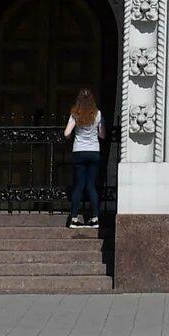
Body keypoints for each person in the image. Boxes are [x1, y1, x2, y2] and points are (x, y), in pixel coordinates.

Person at [64, 89, 104, 230]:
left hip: (79, 152)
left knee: (79, 186)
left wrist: (74, 136)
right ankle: (95, 218)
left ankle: (74, 219)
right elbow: (102, 135)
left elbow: (67, 133)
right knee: (91, 186)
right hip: (93, 151)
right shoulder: (98, 114)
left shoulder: (75, 114)